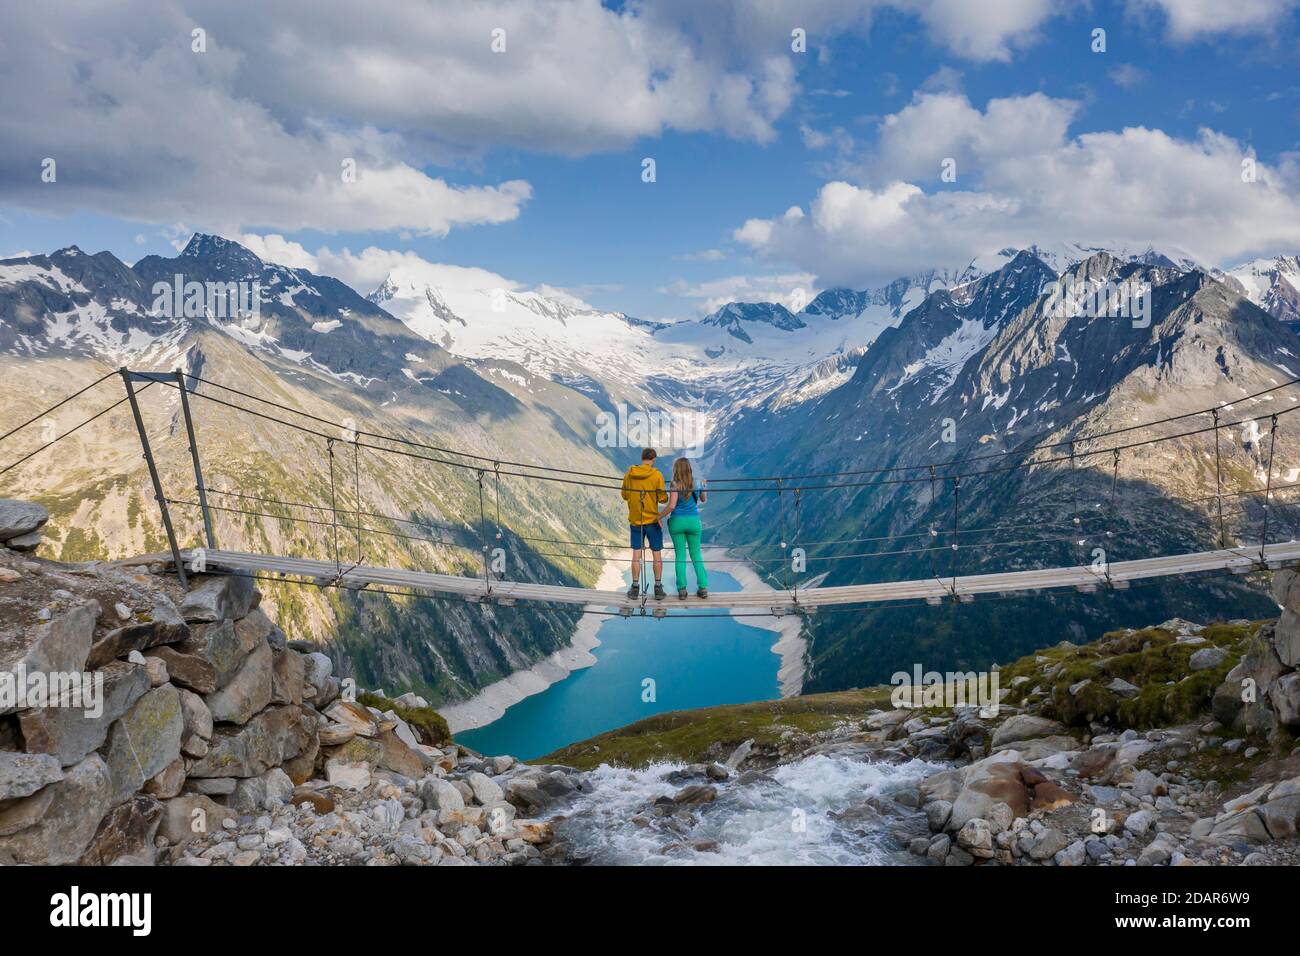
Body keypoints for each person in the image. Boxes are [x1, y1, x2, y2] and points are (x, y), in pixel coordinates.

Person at [658, 457, 709, 600]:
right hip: (693, 522)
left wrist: (659, 517)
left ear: (676, 470)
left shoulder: (674, 484)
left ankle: (682, 590)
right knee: (696, 555)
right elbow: (704, 499)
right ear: (689, 469)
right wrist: (704, 486)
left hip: (677, 522)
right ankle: (703, 588)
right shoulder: (698, 482)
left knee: (680, 556)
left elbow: (672, 506)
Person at [621, 447, 668, 600]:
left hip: (635, 520)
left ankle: (635, 587)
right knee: (656, 554)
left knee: (636, 554)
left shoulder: (630, 472)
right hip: (652, 520)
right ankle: (658, 588)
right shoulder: (657, 475)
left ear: (642, 458)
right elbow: (663, 498)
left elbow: (625, 495)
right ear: (653, 460)